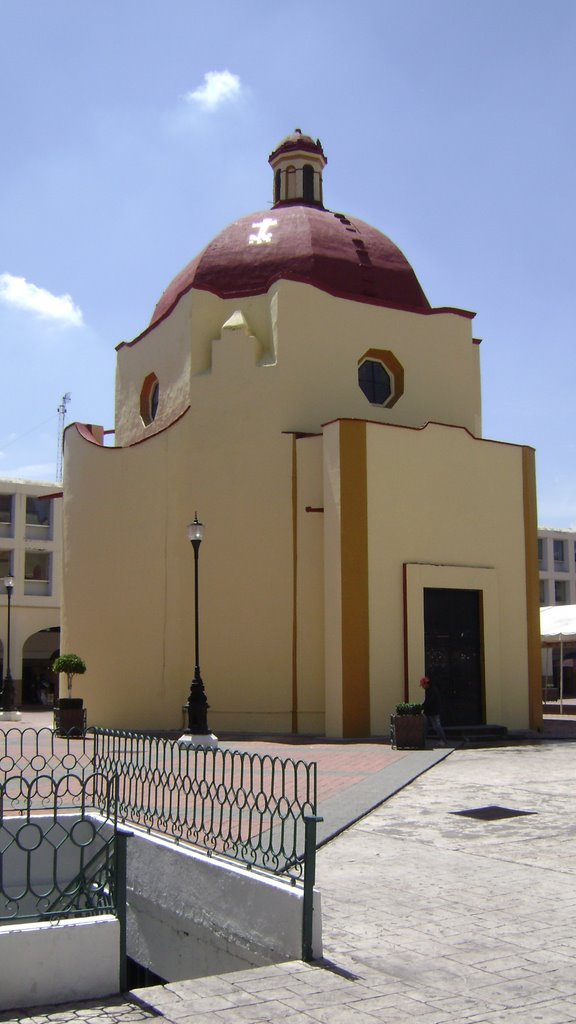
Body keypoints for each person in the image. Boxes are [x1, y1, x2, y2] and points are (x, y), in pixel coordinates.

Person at [420, 676, 447, 746]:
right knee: (427, 725)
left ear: (426, 684)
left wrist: (422, 707)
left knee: (436, 726)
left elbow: (429, 701)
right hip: (431, 711)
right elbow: (428, 701)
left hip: (433, 711)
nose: (422, 687)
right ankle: (422, 740)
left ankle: (443, 740)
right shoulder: (431, 689)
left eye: (422, 685)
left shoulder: (431, 690)